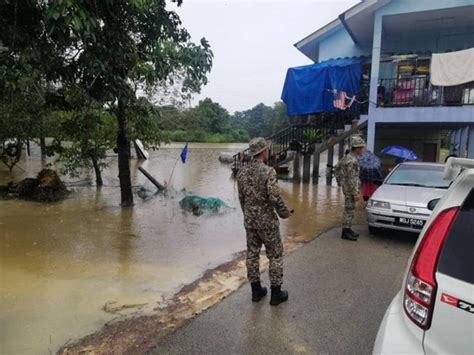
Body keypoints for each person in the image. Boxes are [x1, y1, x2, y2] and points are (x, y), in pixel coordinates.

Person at [237, 137, 293, 306]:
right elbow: (275, 197)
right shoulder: (268, 171)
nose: (268, 152)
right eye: (267, 149)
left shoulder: (241, 172)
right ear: (262, 151)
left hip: (250, 221)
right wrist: (284, 213)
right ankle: (276, 293)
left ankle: (256, 291)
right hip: (267, 222)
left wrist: (248, 215)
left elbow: (241, 199)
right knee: (275, 255)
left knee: (252, 255)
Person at [334, 136, 365, 241]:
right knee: (349, 210)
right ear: (356, 148)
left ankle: (348, 229)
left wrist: (340, 181)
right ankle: (345, 232)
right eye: (361, 148)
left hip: (348, 188)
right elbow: (352, 178)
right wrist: (355, 193)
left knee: (350, 209)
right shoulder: (352, 161)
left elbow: (337, 168)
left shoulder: (347, 157)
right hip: (350, 190)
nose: (362, 150)